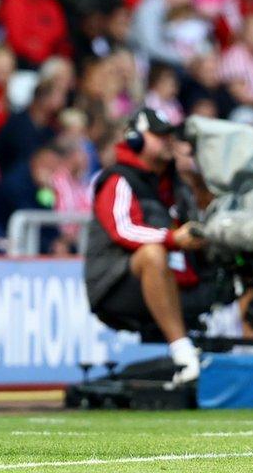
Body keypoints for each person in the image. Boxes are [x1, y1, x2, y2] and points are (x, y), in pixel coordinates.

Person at [85, 108, 209, 384]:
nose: (167, 141)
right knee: (153, 254)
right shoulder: (118, 179)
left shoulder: (177, 184)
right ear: (135, 139)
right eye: (158, 135)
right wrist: (173, 239)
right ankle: (182, 353)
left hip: (176, 279)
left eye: (169, 136)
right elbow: (122, 229)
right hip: (116, 282)